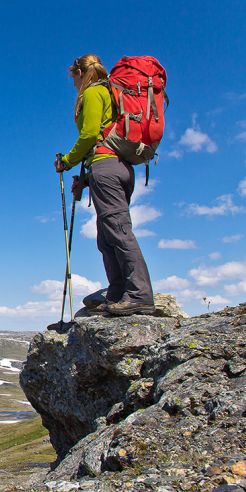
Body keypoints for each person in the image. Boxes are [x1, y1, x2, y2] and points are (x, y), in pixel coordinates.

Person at [54, 54, 155, 316]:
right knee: (107, 234)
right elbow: (103, 138)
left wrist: (66, 161)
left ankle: (139, 294)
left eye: (73, 77)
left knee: (117, 231)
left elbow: (89, 135)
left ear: (80, 73)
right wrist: (87, 177)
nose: (73, 82)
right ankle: (118, 291)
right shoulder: (110, 93)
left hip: (106, 168)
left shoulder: (93, 93)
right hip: (116, 167)